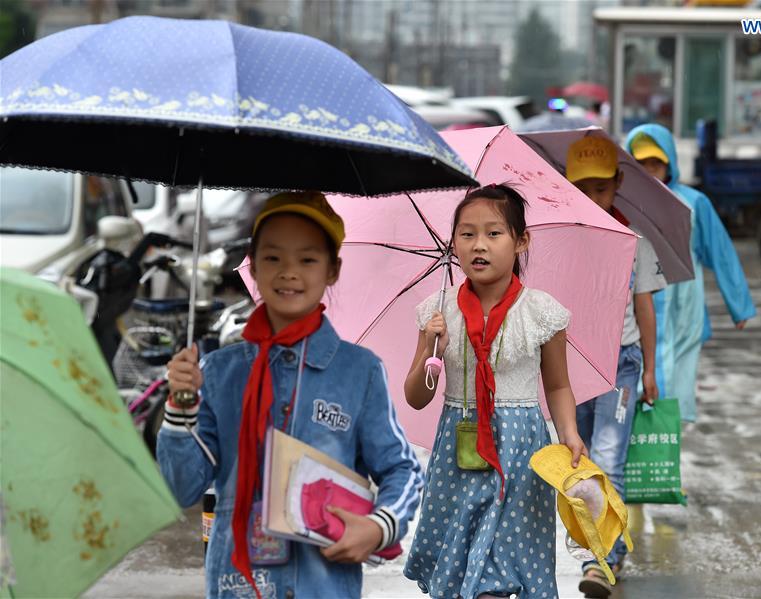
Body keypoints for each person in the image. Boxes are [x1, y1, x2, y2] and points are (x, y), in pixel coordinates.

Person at [158, 192, 423, 599]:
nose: (289, 272)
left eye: (307, 259)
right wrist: (181, 406)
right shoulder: (218, 372)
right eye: (274, 257)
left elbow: (402, 470)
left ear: (333, 269)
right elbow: (182, 489)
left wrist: (377, 526)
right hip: (239, 584)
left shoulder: (359, 372)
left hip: (324, 583)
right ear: (253, 263)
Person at [402, 184, 588, 599]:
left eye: (493, 233)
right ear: (453, 243)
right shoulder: (438, 310)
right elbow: (416, 395)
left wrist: (570, 433)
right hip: (459, 450)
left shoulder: (541, 312)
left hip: (521, 452)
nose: (478, 245)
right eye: (466, 234)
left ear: (521, 241)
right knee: (462, 559)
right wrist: (433, 347)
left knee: (501, 568)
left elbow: (557, 385)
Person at [565, 136, 667, 597]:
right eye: (581, 189)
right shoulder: (560, 242)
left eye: (601, 189)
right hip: (570, 368)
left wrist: (648, 369)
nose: (592, 199)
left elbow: (644, 308)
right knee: (581, 461)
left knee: (609, 459)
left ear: (618, 183)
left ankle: (602, 560)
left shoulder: (635, 243)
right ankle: (594, 548)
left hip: (621, 367)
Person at [624, 124, 756, 423]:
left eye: (655, 163)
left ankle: (670, 434)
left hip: (684, 300)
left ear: (669, 161)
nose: (649, 170)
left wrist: (739, 305)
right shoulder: (624, 204)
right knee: (640, 364)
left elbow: (721, 253)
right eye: (640, 163)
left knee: (678, 366)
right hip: (639, 297)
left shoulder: (695, 203)